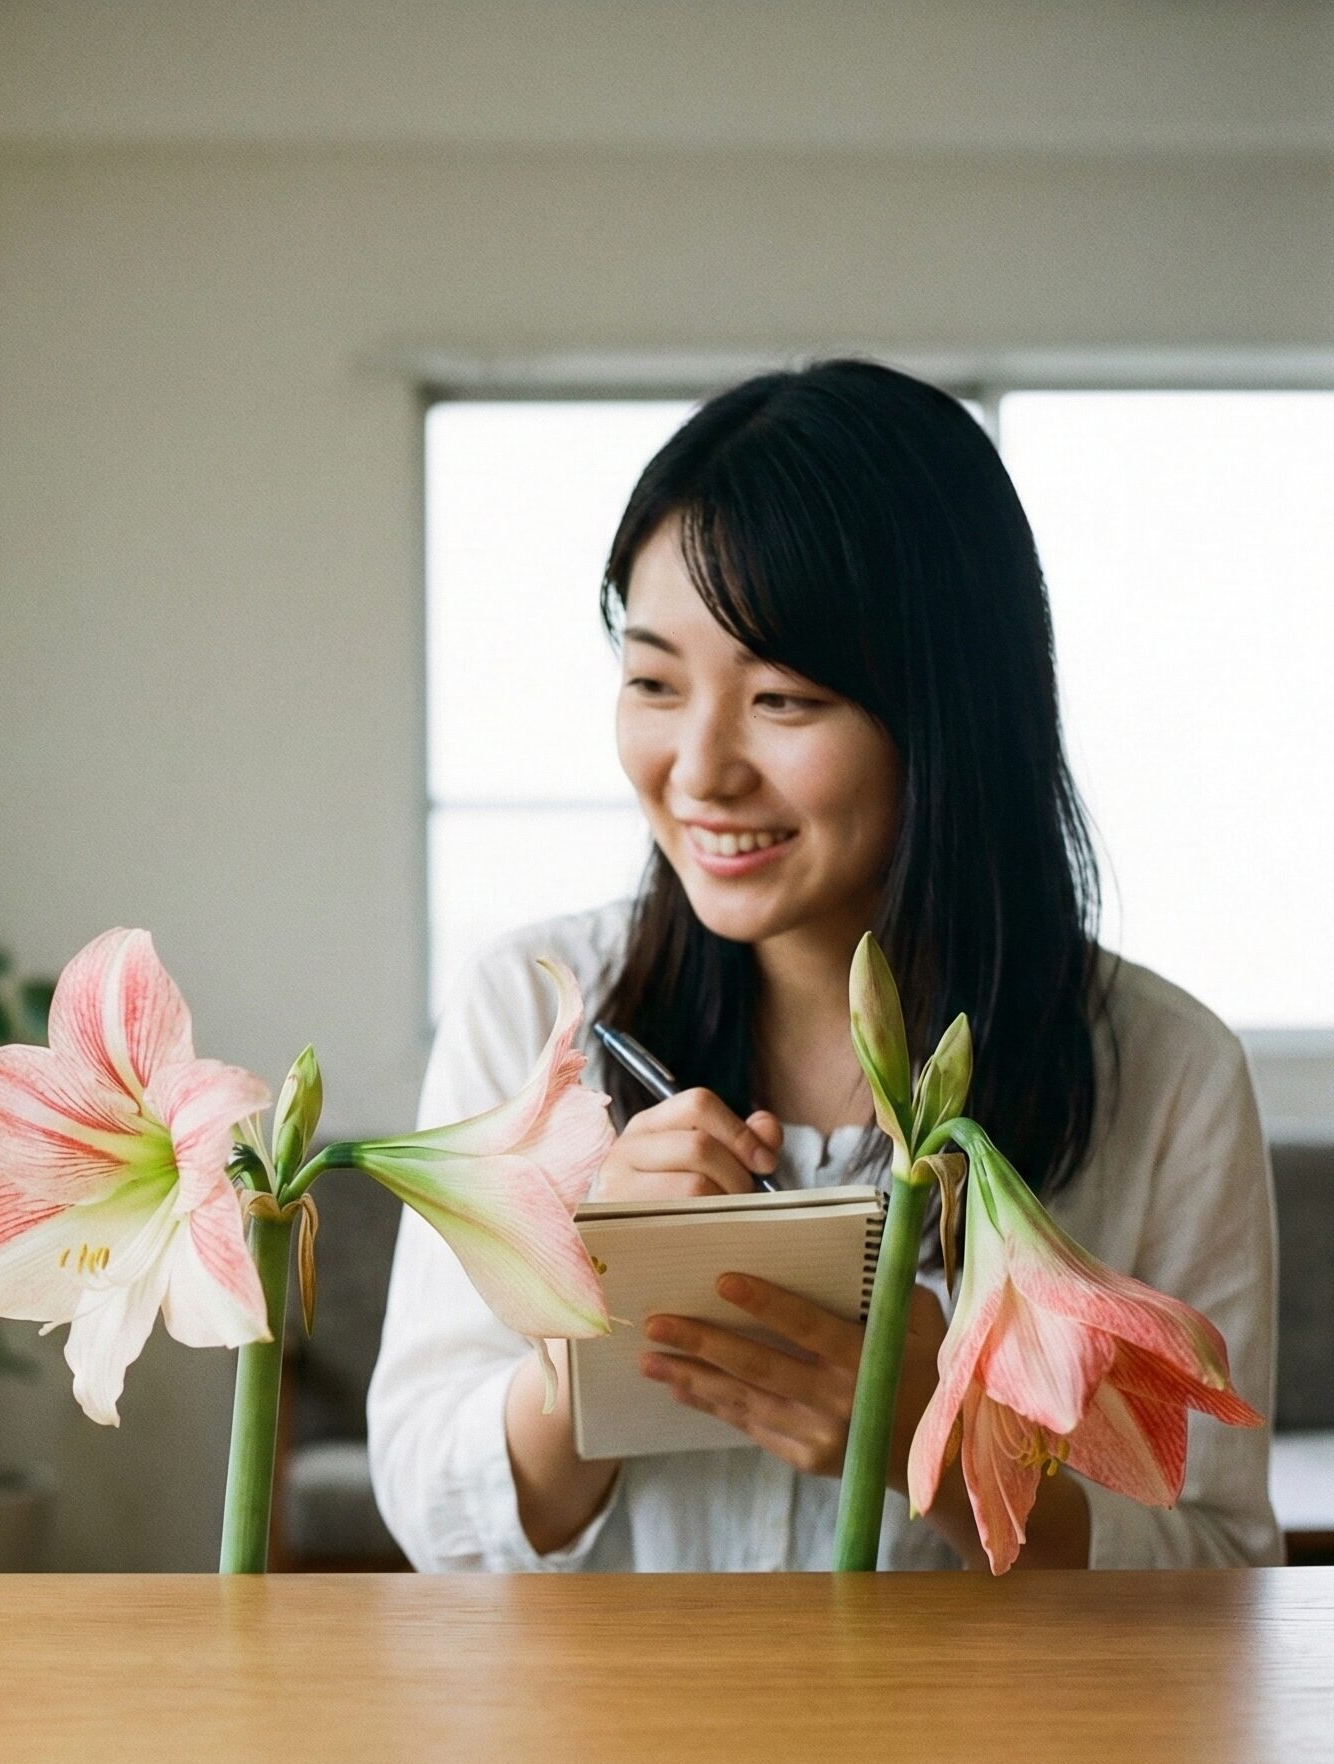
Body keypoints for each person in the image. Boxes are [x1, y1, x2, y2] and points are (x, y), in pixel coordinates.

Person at [367, 359, 1281, 1573]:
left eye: (783, 699)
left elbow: (1220, 1566)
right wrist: (583, 1324)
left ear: (948, 710)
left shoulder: (1164, 1072)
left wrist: (943, 1443)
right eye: (651, 680)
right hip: (619, 1757)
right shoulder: (533, 1012)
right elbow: (429, 1515)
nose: (698, 768)